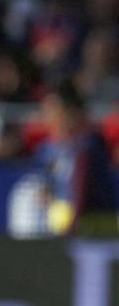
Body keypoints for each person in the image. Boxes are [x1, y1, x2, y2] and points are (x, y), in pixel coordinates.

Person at [38, 79, 118, 237]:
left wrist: (73, 224)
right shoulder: (50, 149)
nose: (50, 119)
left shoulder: (88, 145)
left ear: (72, 112)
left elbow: (82, 185)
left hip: (96, 227)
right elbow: (47, 187)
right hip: (69, 225)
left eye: (55, 112)